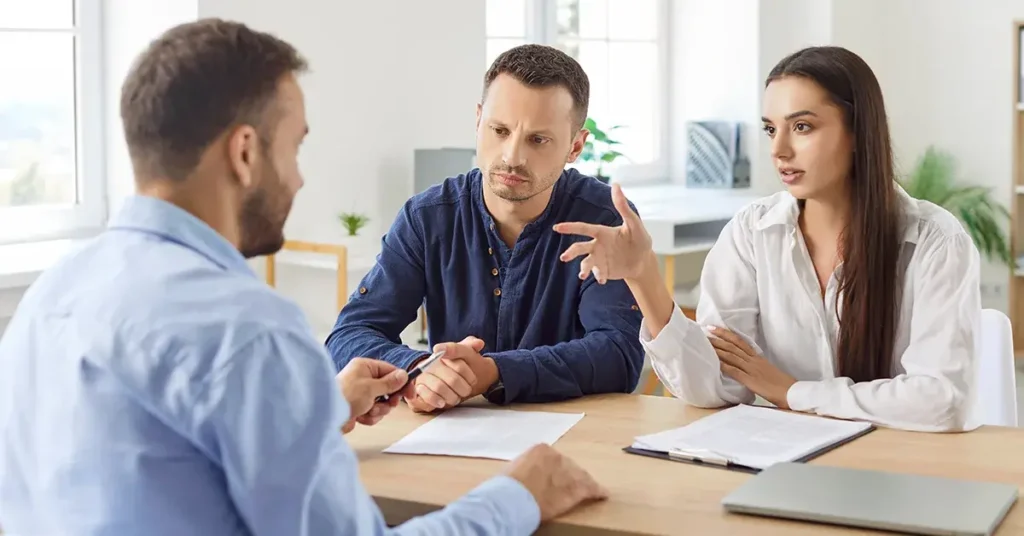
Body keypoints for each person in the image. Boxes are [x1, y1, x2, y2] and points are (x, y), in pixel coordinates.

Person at [0, 19, 607, 535]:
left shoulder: (49, 297)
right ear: (244, 154)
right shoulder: (249, 333)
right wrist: (519, 495)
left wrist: (311, 409)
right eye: (294, 148)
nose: (298, 179)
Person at [555, 45, 981, 433]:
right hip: (787, 460)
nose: (779, 150)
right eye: (770, 129)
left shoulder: (934, 242)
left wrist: (790, 391)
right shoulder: (751, 233)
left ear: (857, 133)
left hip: (901, 470)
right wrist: (644, 277)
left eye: (802, 127)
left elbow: (942, 402)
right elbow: (716, 385)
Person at [326, 44, 645, 413]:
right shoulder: (427, 217)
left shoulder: (604, 220)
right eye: (499, 130)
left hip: (573, 437)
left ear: (575, 146)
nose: (512, 156)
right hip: (451, 436)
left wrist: (495, 372)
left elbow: (620, 355)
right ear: (479, 121)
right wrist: (418, 369)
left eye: (537, 139)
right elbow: (350, 334)